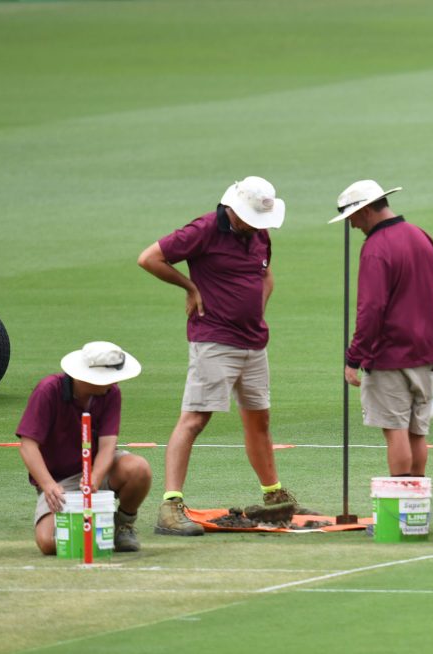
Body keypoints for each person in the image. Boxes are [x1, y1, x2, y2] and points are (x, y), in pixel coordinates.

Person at [138, 176, 297, 536]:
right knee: (194, 419)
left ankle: (274, 498)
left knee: (260, 421)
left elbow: (266, 275)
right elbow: (149, 258)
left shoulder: (259, 234)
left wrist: (256, 310)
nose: (257, 226)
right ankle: (171, 505)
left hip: (254, 342)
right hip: (214, 341)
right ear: (234, 210)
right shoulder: (204, 229)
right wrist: (190, 286)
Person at [329, 180, 433, 477]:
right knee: (418, 433)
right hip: (426, 352)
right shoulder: (421, 237)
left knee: (396, 432)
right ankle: (416, 509)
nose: (353, 226)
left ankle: (401, 510)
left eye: (352, 218)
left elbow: (371, 309)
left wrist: (354, 357)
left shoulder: (376, 248)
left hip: (389, 356)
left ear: (366, 210)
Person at [16, 341, 151, 555]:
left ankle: (123, 525)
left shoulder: (111, 393)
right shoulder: (48, 390)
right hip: (59, 482)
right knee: (49, 543)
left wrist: (95, 478)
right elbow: (28, 445)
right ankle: (96, 527)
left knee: (138, 468)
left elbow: (108, 446)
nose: (115, 382)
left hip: (98, 470)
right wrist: (48, 485)